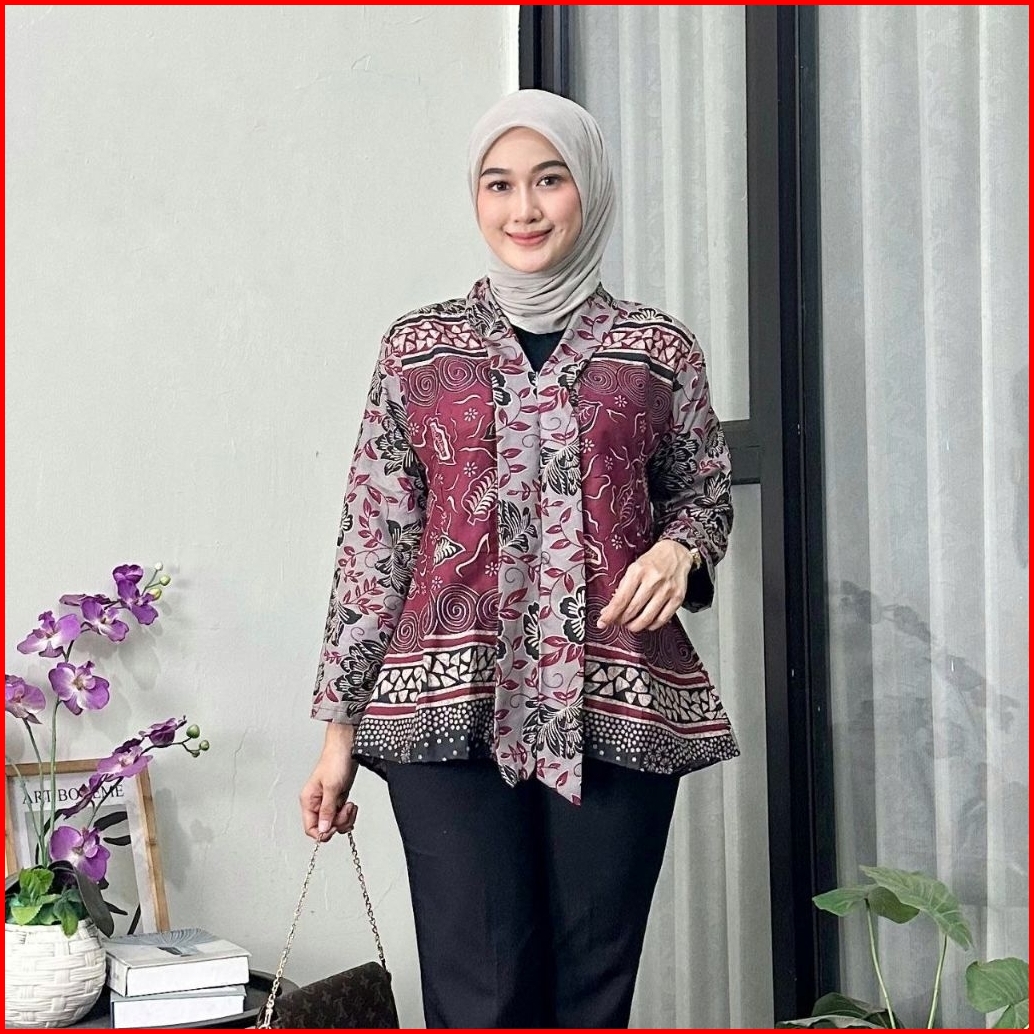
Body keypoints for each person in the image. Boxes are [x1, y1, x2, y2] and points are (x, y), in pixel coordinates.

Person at [300, 88, 737, 1029]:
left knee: (590, 999)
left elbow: (703, 490)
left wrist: (680, 548)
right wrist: (337, 736)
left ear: (591, 189)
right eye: (498, 184)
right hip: (444, 710)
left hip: (615, 700)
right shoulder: (417, 351)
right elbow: (375, 541)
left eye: (549, 180)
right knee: (481, 998)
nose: (524, 208)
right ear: (476, 197)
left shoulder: (658, 350)